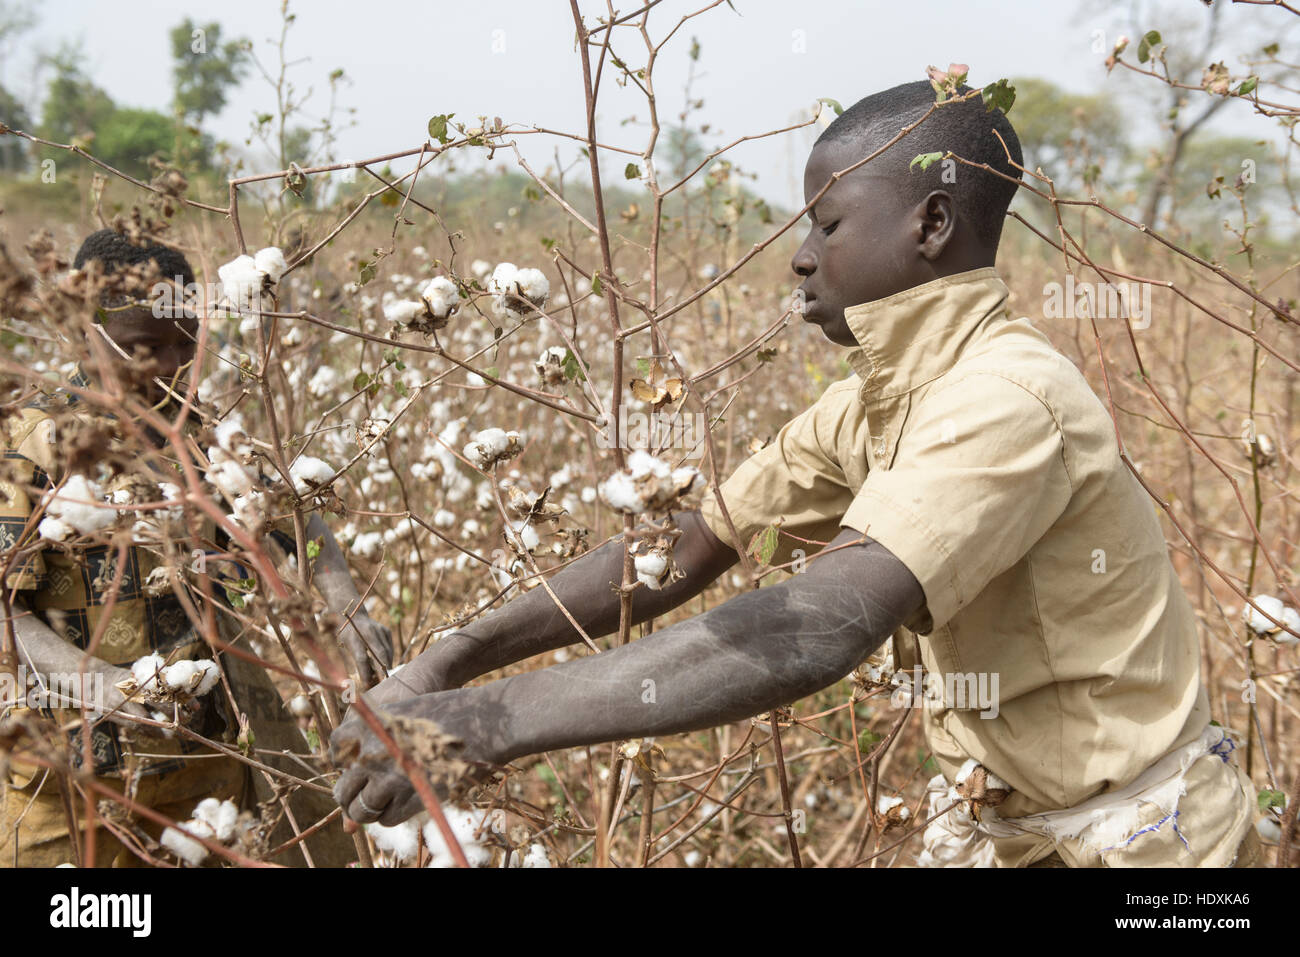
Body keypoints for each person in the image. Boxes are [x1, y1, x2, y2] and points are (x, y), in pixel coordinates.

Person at [329, 81, 1259, 868]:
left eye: (828, 222)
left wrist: (488, 722)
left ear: (932, 222)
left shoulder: (1006, 398)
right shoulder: (874, 405)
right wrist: (450, 659)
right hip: (1012, 833)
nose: (802, 257)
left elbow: (824, 623)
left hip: (1149, 846)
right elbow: (685, 546)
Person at [0, 229, 389, 866]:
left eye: (186, 347)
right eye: (143, 348)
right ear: (82, 334)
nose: (170, 369)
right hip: (64, 783)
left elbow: (297, 519)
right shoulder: (30, 445)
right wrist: (102, 683)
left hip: (206, 761)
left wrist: (347, 606)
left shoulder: (195, 434)